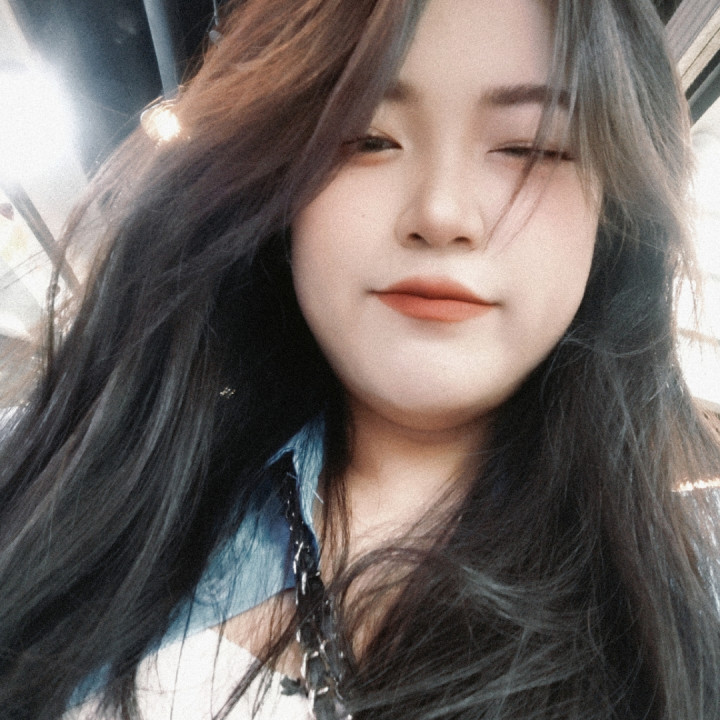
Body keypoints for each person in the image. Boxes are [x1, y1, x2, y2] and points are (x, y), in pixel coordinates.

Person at [1, 0, 720, 718]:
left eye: (530, 148)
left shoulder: (683, 613)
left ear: (616, 209)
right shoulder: (79, 488)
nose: (441, 214)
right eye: (367, 138)